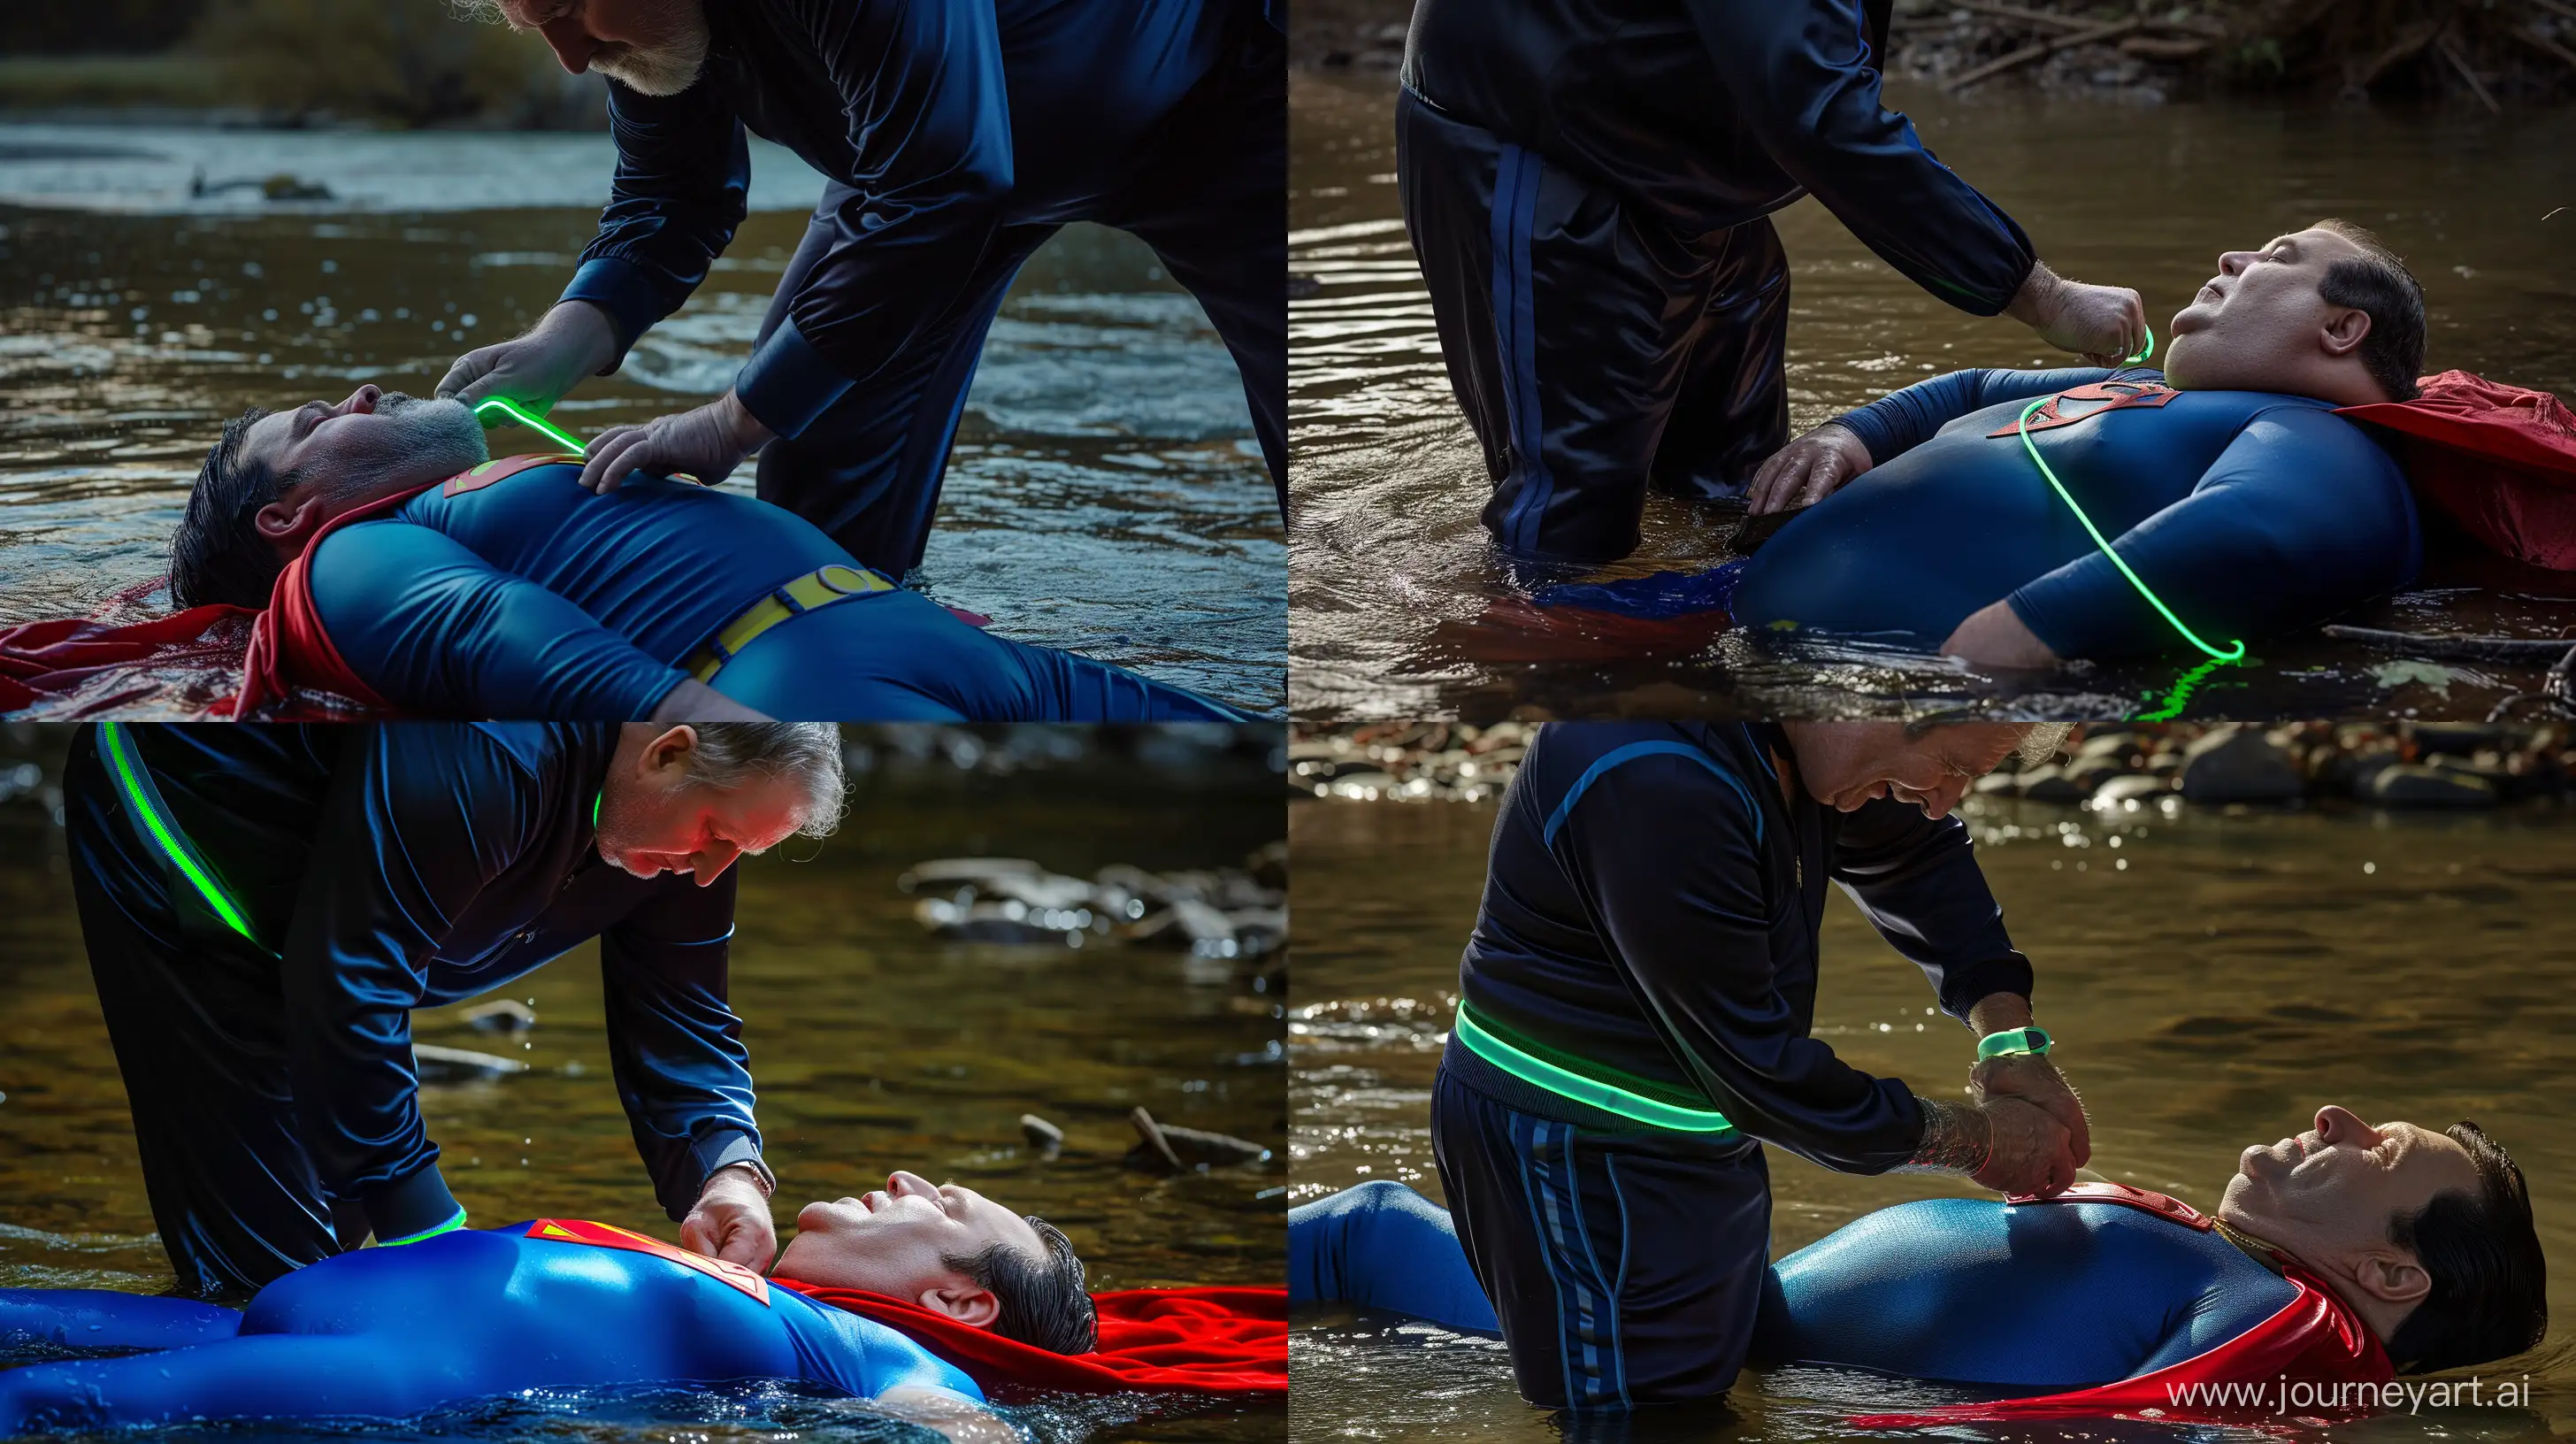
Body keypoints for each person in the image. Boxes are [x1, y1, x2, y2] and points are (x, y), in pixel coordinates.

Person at [431, 0, 1284, 580]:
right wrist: (561, 342)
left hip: (1208, 107)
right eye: (531, 23)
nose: (571, 58)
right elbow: (670, 192)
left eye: (569, 7)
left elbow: (947, 183)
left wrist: (729, 422)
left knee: (1316, 425)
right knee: (814, 480)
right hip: (914, 168)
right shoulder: (644, 26)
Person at [1429, 718, 2088, 1409]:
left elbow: (1918, 862)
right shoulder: (1654, 775)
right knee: (1643, 1417)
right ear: (1872, 695)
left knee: (1714, 1381)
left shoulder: (1820, 744)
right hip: (1571, 1148)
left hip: (1703, 1129)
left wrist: (2011, 1043)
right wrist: (1982, 1142)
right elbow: (1761, 1075)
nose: (1941, 799)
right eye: (1949, 763)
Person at [64, 721, 844, 1297]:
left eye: (742, 850)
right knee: (271, 1288)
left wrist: (728, 1173)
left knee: (341, 1269)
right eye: (714, 834)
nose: (710, 874)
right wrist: (436, 1237)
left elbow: (683, 1014)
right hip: (195, 850)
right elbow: (352, 978)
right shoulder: (495, 748)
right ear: (665, 751)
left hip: (350, 933)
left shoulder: (680, 834)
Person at [1396, 0, 2147, 565]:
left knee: (1745, 490)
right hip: (1536, 145)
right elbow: (1820, 114)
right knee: (1572, 521)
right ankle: (1535, 684)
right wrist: (2039, 294)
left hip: (1691, 150)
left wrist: (1853, 436)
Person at [1293, 1104, 2548, 1393]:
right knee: (1370, 1225)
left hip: (1689, 1342)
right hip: (1706, 1314)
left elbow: (2170, 1429)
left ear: (2394, 1275)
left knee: (1367, 1231)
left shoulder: (2301, 1338)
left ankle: (1099, 1310)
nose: (2331, 1117)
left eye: (2377, 1150)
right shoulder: (2234, 1265)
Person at [167, 388, 1251, 722]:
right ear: (288, 517)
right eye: (314, 423)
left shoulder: (429, 517)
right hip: (804, 678)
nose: (358, 393)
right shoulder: (343, 567)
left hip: (965, 656)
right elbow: (508, 637)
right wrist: (748, 742)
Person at [1728, 222, 2427, 664]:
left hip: (1864, 666)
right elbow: (1971, 389)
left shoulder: (2323, 436)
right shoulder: (2153, 386)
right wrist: (1853, 434)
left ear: (2341, 330)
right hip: (1731, 615)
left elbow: (2254, 526)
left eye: (2278, 257)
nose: (2232, 255)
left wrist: (2025, 631)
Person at [0, 1170, 1088, 1442]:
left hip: (393, 1371)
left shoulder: (894, 1363)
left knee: (50, 1406)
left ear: (963, 1301)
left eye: (942, 1204)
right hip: (286, 1319)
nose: (904, 1184)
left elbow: (969, 1432)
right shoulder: (766, 1299)